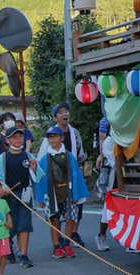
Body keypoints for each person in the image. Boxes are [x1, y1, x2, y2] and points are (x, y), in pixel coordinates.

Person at [33, 126, 91, 259]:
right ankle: (56, 247)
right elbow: (40, 179)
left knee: (70, 218)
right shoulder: (44, 159)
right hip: (52, 193)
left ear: (62, 138)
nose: (52, 139)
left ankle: (67, 244)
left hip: (68, 192)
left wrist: (77, 195)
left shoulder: (69, 156)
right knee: (54, 220)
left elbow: (76, 175)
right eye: (50, 137)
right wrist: (41, 198)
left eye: (55, 136)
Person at [41, 102, 90, 248]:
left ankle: (73, 234)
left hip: (71, 174)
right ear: (55, 117)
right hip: (54, 180)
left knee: (75, 208)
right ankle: (58, 239)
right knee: (55, 211)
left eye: (66, 111)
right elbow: (42, 160)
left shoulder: (74, 132)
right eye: (61, 112)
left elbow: (81, 155)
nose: (65, 114)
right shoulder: (49, 136)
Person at [0, 123, 37, 267]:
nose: (18, 139)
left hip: (25, 194)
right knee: (11, 225)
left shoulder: (28, 155)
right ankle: (8, 247)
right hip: (8, 196)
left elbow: (37, 176)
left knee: (25, 225)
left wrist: (34, 169)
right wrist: (2, 188)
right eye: (14, 137)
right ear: (7, 141)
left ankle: (23, 254)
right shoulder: (3, 158)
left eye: (20, 136)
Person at [93, 119, 116, 251]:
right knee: (109, 205)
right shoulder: (109, 141)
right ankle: (102, 235)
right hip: (113, 175)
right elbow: (116, 165)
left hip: (125, 175)